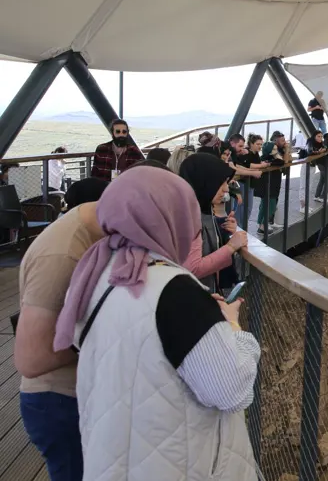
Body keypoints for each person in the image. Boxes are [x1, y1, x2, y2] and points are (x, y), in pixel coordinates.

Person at [53, 166, 260, 481]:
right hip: (178, 464)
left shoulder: (98, 269)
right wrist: (232, 327)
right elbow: (232, 390)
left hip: (115, 456)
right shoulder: (176, 291)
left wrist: (201, 321)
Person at [15, 186, 108, 480]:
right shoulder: (62, 254)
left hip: (79, 396)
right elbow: (33, 359)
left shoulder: (95, 234)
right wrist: (118, 333)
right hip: (60, 401)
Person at [179, 153, 247, 294]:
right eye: (220, 183)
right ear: (204, 182)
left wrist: (225, 231)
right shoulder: (189, 218)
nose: (226, 189)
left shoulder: (201, 209)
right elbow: (193, 269)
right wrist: (231, 246)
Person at [254, 131, 291, 233]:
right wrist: (285, 151)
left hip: (271, 182)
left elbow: (285, 161)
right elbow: (284, 161)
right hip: (269, 183)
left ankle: (262, 223)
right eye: (274, 149)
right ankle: (262, 225)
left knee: (266, 203)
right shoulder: (272, 158)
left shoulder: (270, 157)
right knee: (270, 204)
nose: (276, 150)